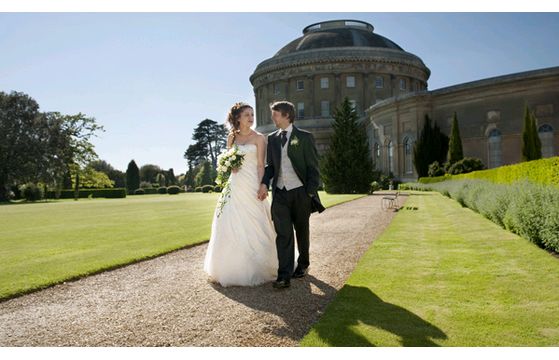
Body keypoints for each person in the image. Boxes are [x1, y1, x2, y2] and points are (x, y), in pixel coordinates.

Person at [204, 102, 278, 287]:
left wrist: (263, 185)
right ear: (237, 118)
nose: (251, 118)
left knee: (257, 222)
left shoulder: (260, 138)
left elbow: (261, 165)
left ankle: (261, 266)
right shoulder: (231, 137)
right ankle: (231, 268)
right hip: (235, 186)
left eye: (252, 114)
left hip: (252, 184)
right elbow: (229, 162)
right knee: (229, 222)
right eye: (247, 115)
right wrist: (231, 165)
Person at [258, 100, 324, 289]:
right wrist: (264, 183)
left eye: (276, 114)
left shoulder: (304, 137)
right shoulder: (272, 138)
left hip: (300, 193)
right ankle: (284, 275)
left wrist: (309, 192)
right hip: (280, 193)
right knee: (283, 234)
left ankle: (303, 264)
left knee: (302, 231)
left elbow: (313, 167)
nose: (273, 118)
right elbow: (270, 166)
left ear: (287, 115)